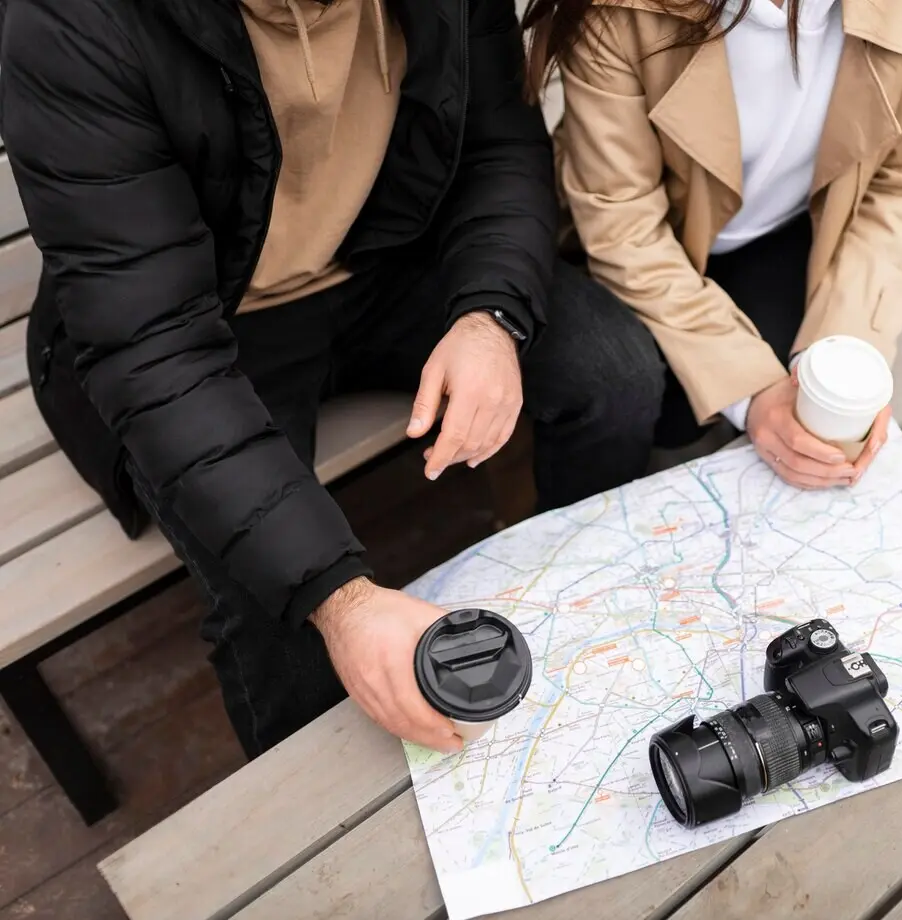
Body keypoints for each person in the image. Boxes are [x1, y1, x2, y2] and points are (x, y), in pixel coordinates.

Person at [0, 0, 667, 758]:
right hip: (205, 321)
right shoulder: (70, 22)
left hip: (386, 247)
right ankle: (336, 810)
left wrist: (490, 315)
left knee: (613, 376)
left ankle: (575, 619)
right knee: (272, 603)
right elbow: (151, 347)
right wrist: (339, 600)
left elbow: (498, 144)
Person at [523, 0, 902, 489]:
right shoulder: (621, 12)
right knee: (641, 398)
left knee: (787, 416)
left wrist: (841, 357)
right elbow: (621, 221)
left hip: (786, 232)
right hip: (638, 249)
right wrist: (752, 391)